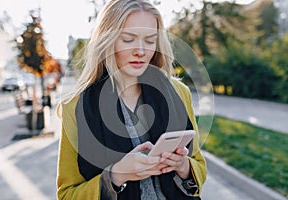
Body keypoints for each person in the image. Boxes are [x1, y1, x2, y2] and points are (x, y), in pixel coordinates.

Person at [56, 0, 207, 199]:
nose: (141, 51)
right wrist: (116, 176)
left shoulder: (179, 92)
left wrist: (183, 166)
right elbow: (67, 194)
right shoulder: (75, 107)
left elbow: (199, 167)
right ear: (106, 40)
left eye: (150, 40)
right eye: (128, 39)